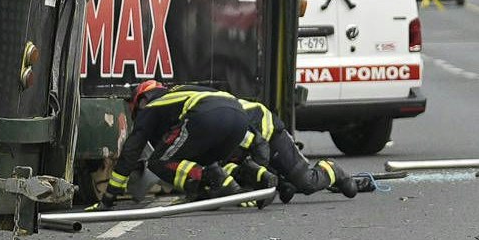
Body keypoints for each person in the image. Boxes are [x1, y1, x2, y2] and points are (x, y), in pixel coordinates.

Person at [107, 80, 365, 203]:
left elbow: (255, 143)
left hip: (267, 132)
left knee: (305, 182)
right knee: (275, 185)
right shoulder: (188, 107)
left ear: (143, 99)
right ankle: (267, 182)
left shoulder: (175, 105)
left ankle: (335, 171)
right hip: (245, 140)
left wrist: (259, 172)